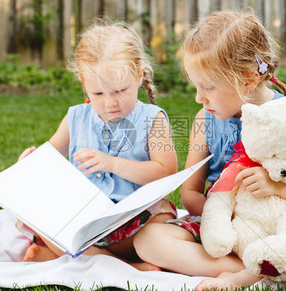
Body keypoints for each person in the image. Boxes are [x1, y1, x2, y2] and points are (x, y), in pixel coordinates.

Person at [133, 9, 286, 291]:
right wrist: (228, 217)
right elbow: (190, 194)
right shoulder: (205, 120)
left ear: (249, 80)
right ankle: (279, 268)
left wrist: (280, 189)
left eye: (208, 87)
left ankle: (244, 277)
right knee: (147, 239)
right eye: (196, 86)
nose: (198, 98)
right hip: (227, 233)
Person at [18, 22, 178, 271]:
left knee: (161, 224)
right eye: (98, 94)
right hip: (85, 220)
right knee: (39, 215)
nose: (110, 103)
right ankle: (126, 267)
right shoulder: (75, 117)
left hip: (131, 221)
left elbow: (166, 172)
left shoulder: (152, 119)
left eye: (119, 91)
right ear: (84, 84)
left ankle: (67, 256)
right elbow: (50, 156)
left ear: (138, 76)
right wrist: (30, 162)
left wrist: (113, 164)